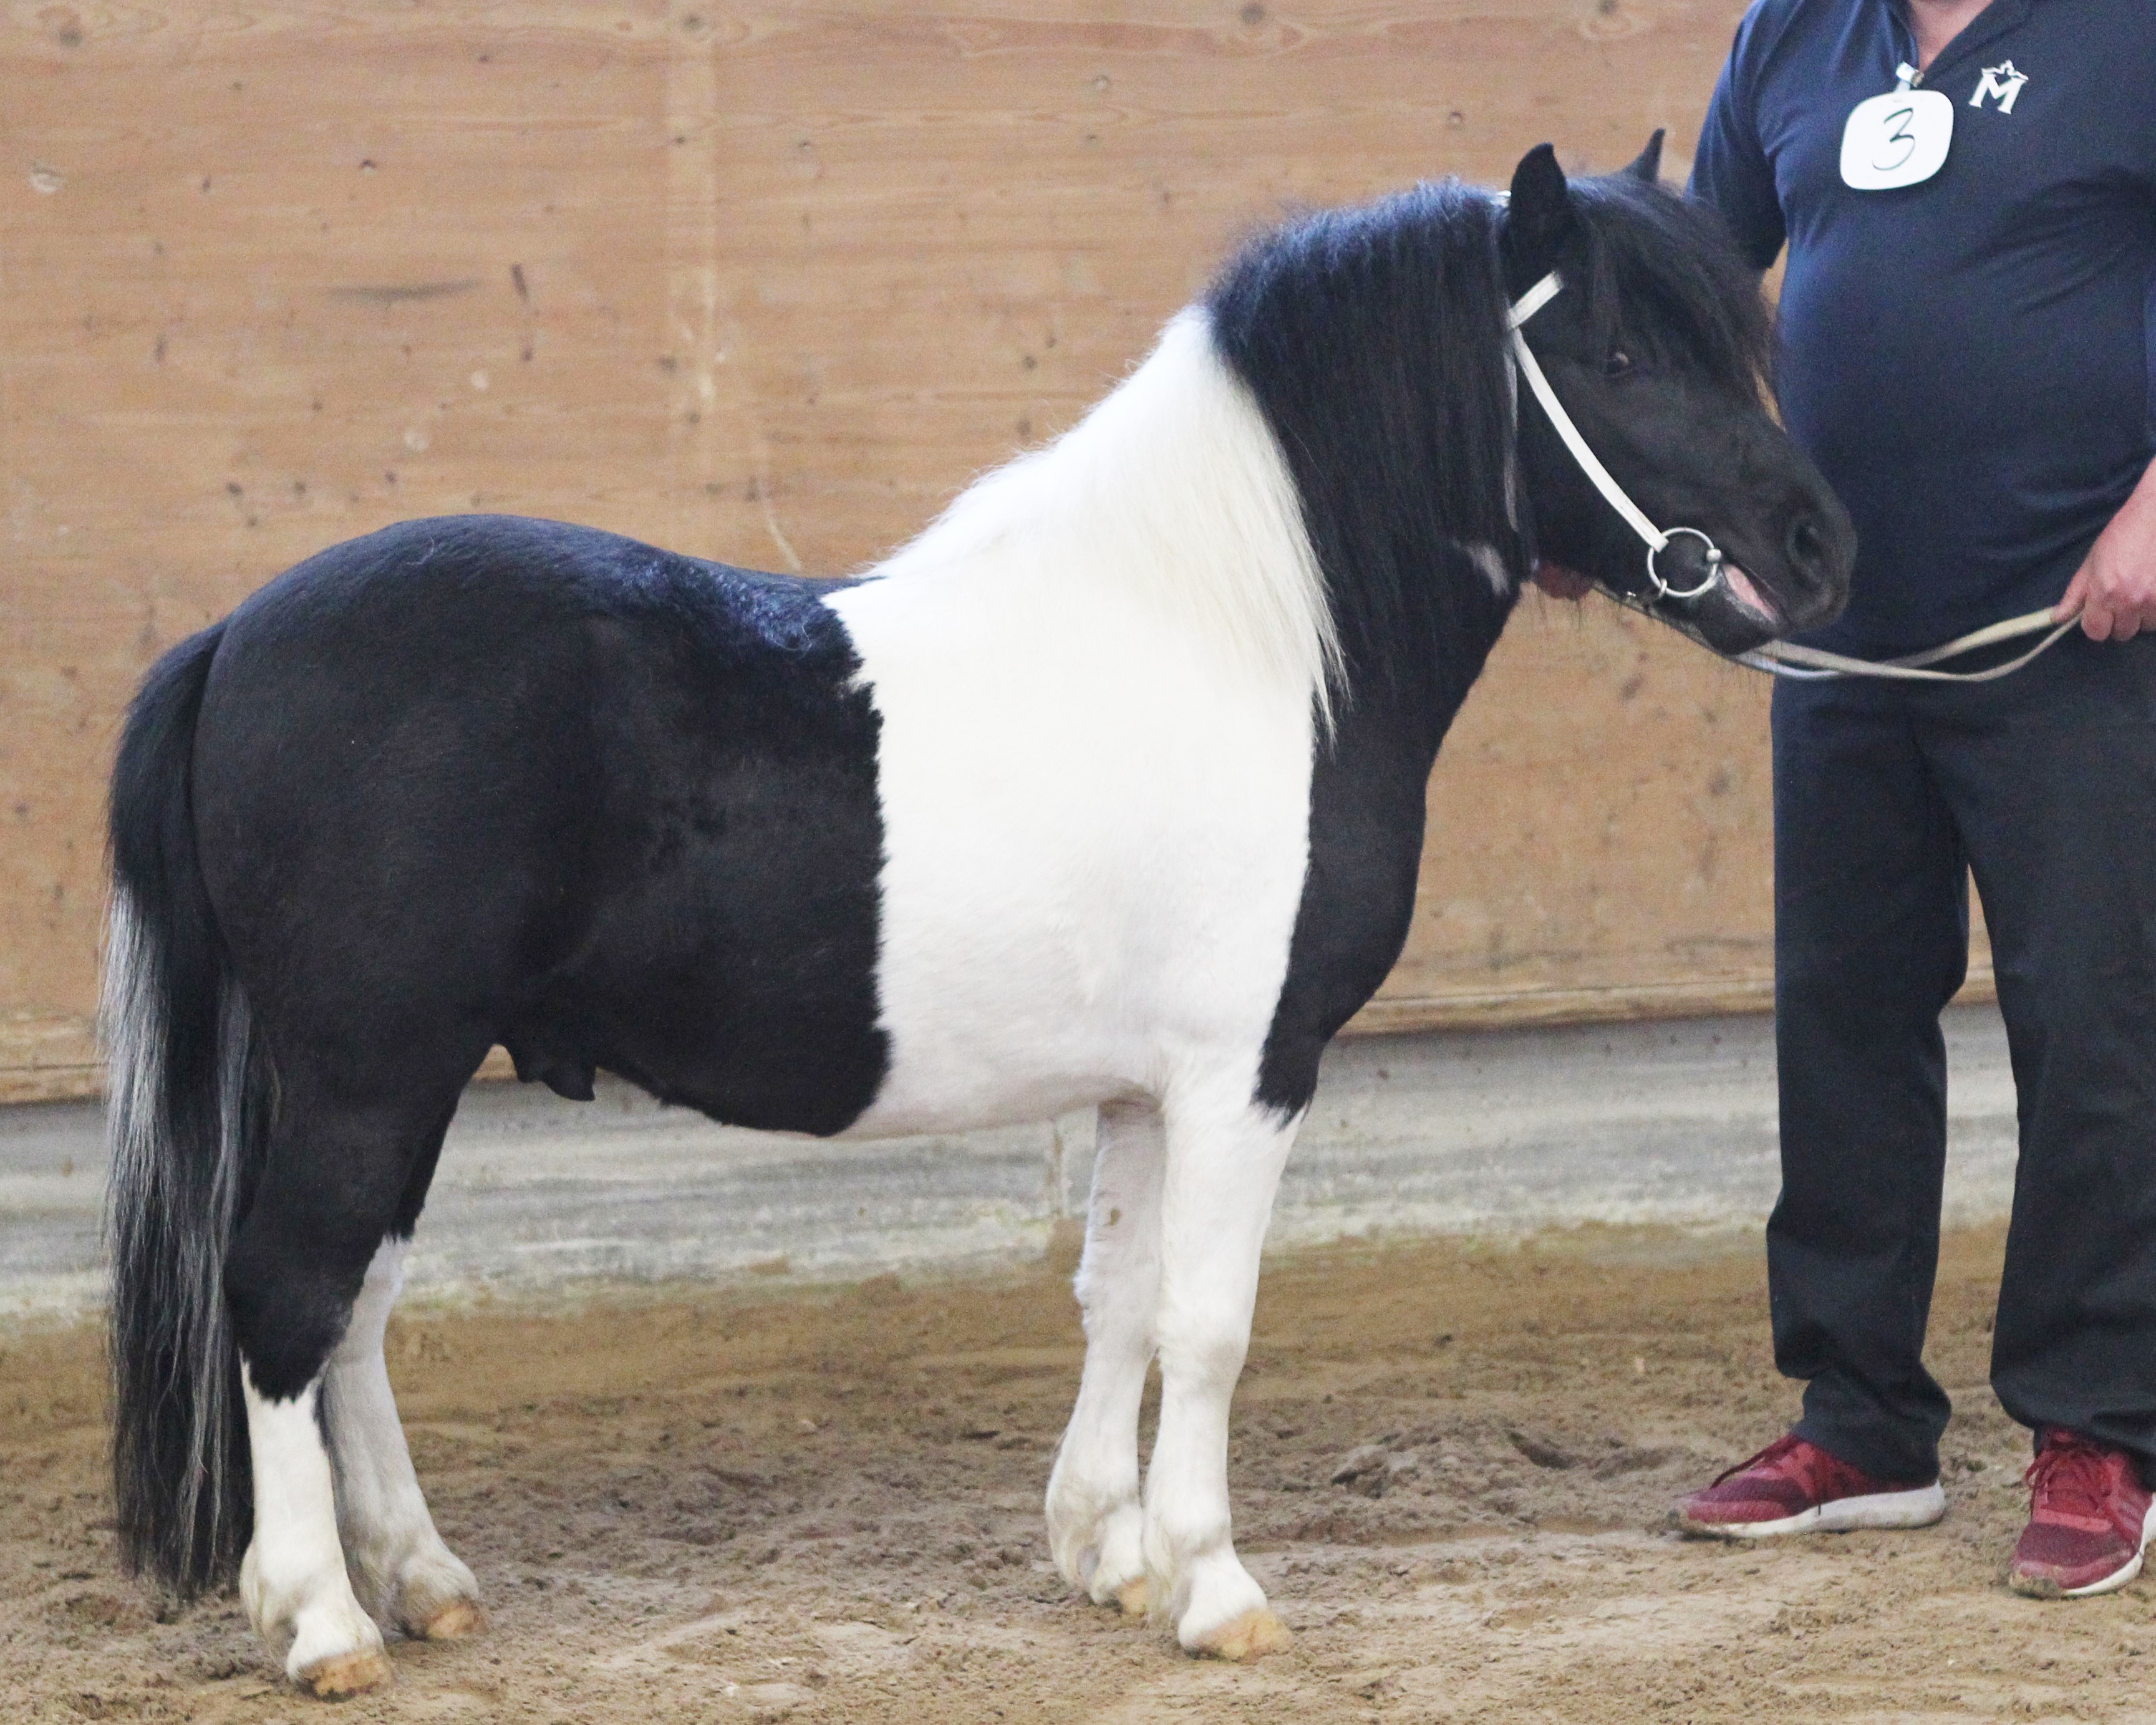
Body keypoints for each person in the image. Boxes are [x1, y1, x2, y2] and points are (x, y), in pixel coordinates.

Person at [1610, 0, 2156, 1597]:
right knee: (1842, 1015)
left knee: (2098, 1026)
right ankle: (1859, 1420)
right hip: (1843, 642)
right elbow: (1693, 280)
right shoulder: (1796, 30)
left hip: (2074, 631)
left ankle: (2101, 1426)